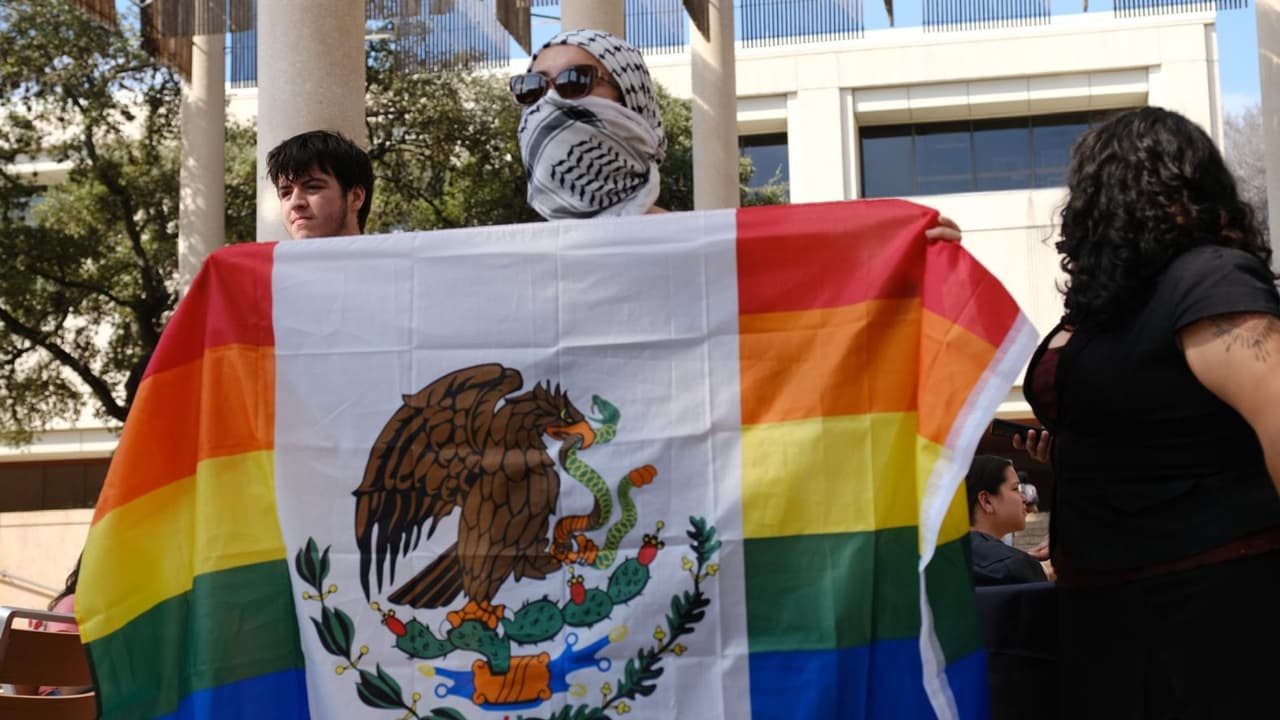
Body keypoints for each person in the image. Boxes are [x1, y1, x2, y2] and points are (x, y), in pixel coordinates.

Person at [1023, 106, 1280, 718]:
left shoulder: (1208, 278)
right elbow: (1156, 423)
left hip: (1210, 618)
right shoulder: (1108, 301)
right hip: (1105, 614)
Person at [511, 29, 964, 241]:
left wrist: (897, 252)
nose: (552, 104)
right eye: (533, 90)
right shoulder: (499, 267)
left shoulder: (710, 249)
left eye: (575, 83)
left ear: (631, 100)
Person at [266, 129, 374, 240]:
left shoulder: (388, 256)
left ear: (356, 197)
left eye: (313, 187)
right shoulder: (267, 257)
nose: (295, 203)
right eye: (286, 193)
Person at [966, 455, 1047, 586]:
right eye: (1015, 488)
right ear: (986, 501)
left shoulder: (944, 559)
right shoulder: (1014, 567)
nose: (1024, 499)